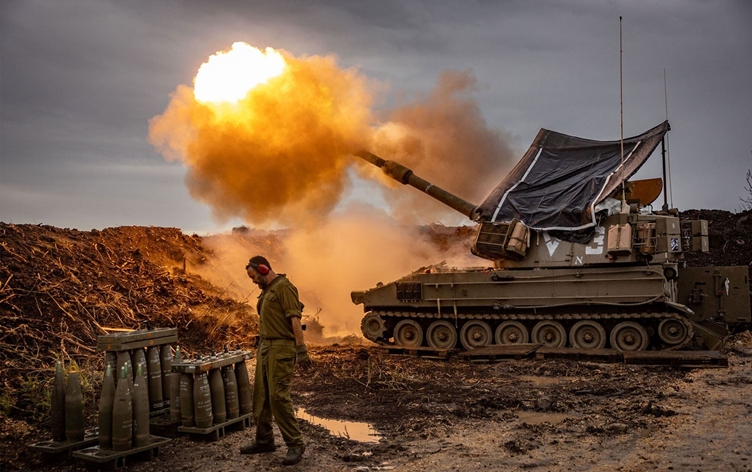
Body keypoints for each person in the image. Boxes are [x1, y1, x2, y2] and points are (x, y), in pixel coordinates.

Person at [239, 255, 312, 466]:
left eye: (254, 276)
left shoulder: (284, 287)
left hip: (281, 349)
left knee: (278, 397)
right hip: (266, 348)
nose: (253, 281)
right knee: (261, 397)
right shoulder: (267, 290)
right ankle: (264, 441)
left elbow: (295, 319)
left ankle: (295, 444)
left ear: (263, 269)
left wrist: (301, 350)